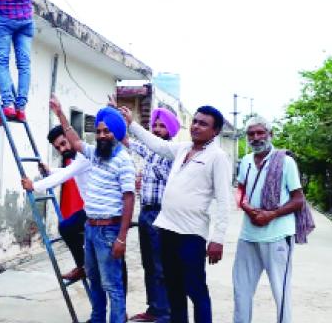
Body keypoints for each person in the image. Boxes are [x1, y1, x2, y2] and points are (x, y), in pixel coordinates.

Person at [122, 105, 231, 323]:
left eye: (203, 124)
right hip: (166, 229)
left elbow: (224, 201)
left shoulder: (217, 157)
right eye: (195, 121)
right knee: (173, 289)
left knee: (196, 290)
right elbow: (157, 144)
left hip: (191, 234)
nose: (196, 126)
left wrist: (217, 239)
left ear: (215, 131)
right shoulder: (183, 149)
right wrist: (131, 123)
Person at [50, 95, 135, 323]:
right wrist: (60, 113)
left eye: (106, 131)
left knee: (112, 286)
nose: (101, 135)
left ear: (116, 133)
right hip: (91, 228)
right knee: (96, 282)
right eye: (98, 131)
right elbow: (76, 142)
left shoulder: (124, 160)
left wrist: (122, 238)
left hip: (110, 231)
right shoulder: (96, 154)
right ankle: (97, 319)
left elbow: (129, 199)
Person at [233, 116, 315, 323]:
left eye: (260, 133)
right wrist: (248, 208)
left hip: (277, 236)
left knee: (281, 292)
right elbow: (240, 190)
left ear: (270, 135)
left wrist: (271, 214)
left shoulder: (285, 162)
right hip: (248, 235)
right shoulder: (246, 161)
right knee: (241, 289)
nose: (256, 137)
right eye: (251, 134)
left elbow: (298, 200)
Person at [127, 108, 181, 323]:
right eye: (155, 126)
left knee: (161, 266)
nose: (157, 130)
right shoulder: (150, 151)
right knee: (148, 264)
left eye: (162, 126)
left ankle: (165, 312)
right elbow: (128, 142)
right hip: (145, 212)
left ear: (170, 130)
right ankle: (154, 308)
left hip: (161, 213)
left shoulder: (173, 153)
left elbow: (172, 181)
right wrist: (120, 119)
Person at [43, 125, 88, 281]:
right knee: (67, 227)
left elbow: (65, 175)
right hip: (90, 210)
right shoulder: (74, 159)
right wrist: (50, 171)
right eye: (58, 148)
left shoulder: (83, 154)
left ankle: (84, 265)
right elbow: (68, 172)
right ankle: (83, 266)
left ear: (70, 137)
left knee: (68, 227)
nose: (62, 149)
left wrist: (34, 186)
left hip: (101, 211)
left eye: (63, 143)